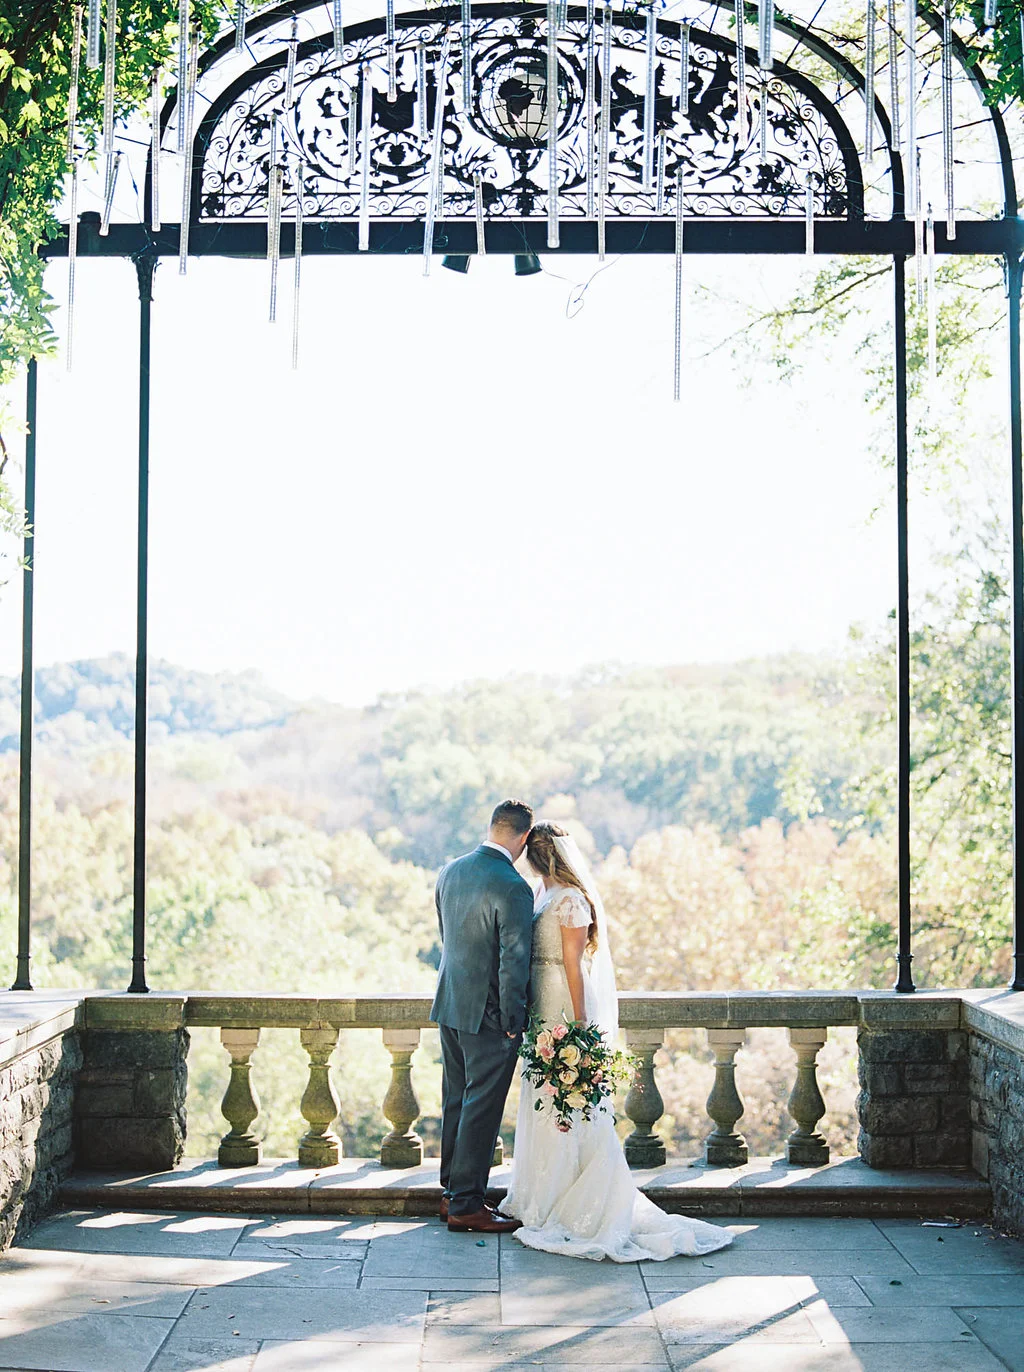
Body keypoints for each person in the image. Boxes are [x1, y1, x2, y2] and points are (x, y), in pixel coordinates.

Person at [501, 821, 735, 1262]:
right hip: (540, 1003)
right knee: (545, 1097)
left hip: (563, 1003)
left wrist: (581, 1027)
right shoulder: (542, 895)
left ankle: (579, 1198)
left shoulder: (569, 900)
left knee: (568, 1098)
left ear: (538, 856)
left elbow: (573, 966)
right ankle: (540, 1193)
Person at [431, 798, 535, 1233]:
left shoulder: (450, 871)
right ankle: (467, 1205)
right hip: (490, 1015)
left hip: (451, 1004)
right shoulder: (513, 886)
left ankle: (451, 1194)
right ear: (524, 838)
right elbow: (514, 961)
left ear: (493, 827)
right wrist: (514, 1019)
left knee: (456, 1101)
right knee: (481, 1110)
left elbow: (448, 937)